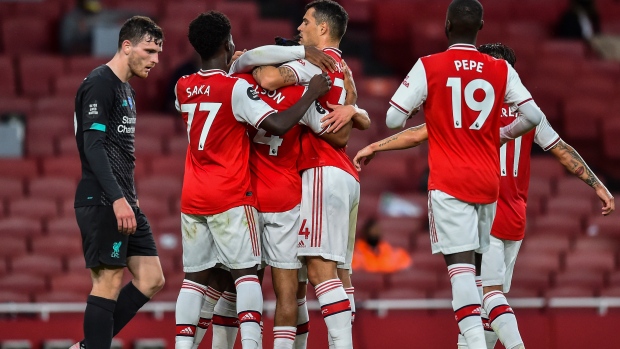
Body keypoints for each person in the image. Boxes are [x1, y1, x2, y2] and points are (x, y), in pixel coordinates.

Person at [354, 42, 615, 349]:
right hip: (516, 215)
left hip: (483, 207)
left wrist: (375, 146)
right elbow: (562, 152)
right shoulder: (531, 114)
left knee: (488, 295)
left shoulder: (472, 110)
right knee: (486, 304)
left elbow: (417, 133)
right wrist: (598, 185)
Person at [383, 1, 549, 347]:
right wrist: (502, 133)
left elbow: (393, 120)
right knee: (478, 278)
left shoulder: (430, 65)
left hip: (449, 181)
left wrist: (432, 110)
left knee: (461, 273)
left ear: (446, 24)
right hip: (488, 184)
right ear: (481, 26)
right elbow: (533, 116)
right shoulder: (500, 69)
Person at [172, 11, 331, 349]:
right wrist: (310, 92)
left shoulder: (182, 86)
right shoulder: (237, 89)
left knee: (196, 281)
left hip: (192, 196)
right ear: (228, 44)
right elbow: (277, 125)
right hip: (231, 194)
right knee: (246, 276)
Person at [232, 2, 368, 348]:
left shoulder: (313, 62)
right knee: (333, 272)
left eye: (306, 23)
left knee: (320, 271)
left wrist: (264, 60)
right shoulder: (344, 69)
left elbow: (268, 77)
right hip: (342, 173)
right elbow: (346, 129)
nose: (300, 30)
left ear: (323, 29)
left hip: (321, 169)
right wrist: (356, 108)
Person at [70, 16, 165, 349]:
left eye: (158, 52)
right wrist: (116, 198)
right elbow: (93, 147)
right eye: (149, 50)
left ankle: (88, 346)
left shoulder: (127, 89)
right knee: (108, 281)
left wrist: (129, 198)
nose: (155, 59)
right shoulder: (100, 83)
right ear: (127, 46)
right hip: (103, 199)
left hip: (125, 199)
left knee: (152, 278)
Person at [59, 0, 139, 55]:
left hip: (110, 56)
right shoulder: (71, 19)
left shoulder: (104, 14)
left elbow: (123, 14)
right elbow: (66, 46)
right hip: (86, 58)